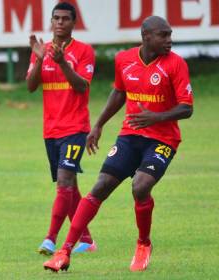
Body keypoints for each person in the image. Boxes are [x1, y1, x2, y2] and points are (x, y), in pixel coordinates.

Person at [43, 15, 194, 272]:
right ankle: (64, 251)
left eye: (170, 35)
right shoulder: (124, 59)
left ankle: (143, 244)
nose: (169, 40)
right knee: (100, 186)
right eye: (163, 35)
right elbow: (119, 92)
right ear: (146, 37)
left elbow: (187, 108)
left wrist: (156, 117)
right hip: (130, 136)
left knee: (140, 186)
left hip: (163, 139)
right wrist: (99, 125)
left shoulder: (176, 64)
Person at [26, 2, 97, 255]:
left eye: (65, 19)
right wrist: (39, 60)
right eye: (56, 18)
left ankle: (51, 239)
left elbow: (82, 87)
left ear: (73, 23)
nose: (59, 23)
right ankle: (86, 239)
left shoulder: (84, 51)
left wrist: (63, 63)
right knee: (69, 187)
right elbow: (31, 87)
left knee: (65, 182)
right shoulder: (41, 50)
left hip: (76, 128)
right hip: (51, 130)